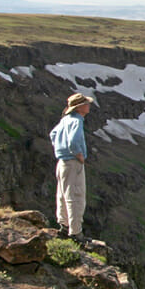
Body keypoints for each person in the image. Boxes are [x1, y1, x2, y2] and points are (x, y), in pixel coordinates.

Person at [49, 92, 95, 244]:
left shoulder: (65, 120)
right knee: (75, 196)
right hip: (73, 163)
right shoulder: (76, 121)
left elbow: (53, 134)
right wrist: (79, 154)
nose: (89, 106)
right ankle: (75, 233)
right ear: (79, 107)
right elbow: (74, 141)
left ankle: (64, 225)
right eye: (86, 104)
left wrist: (59, 149)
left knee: (62, 194)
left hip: (62, 162)